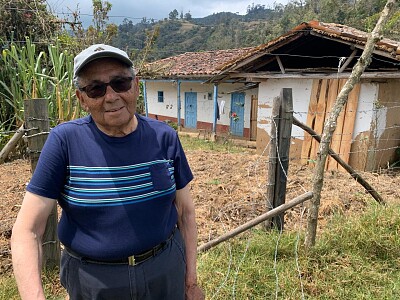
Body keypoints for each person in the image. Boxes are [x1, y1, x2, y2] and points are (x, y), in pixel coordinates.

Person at [11, 44, 205, 300]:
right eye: (96, 88)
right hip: (93, 279)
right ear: (82, 99)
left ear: (136, 86)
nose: (111, 96)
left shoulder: (165, 137)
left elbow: (186, 213)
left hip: (164, 269)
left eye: (120, 83)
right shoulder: (64, 142)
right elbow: (27, 230)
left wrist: (190, 281)